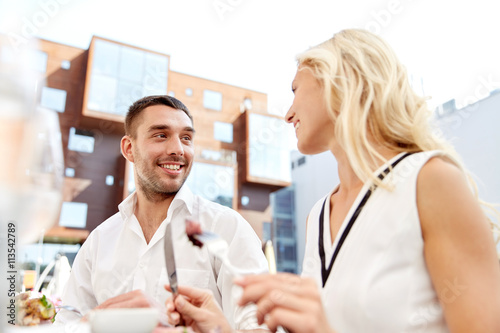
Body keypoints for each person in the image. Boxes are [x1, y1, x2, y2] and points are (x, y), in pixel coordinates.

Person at [165, 29, 500, 332]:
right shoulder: (320, 214)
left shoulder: (430, 181)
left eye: (295, 90)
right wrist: (221, 329)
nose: (288, 112)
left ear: (339, 81)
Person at [56, 95, 270, 330]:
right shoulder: (99, 241)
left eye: (186, 138)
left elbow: (261, 326)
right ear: (129, 148)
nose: (178, 149)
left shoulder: (227, 228)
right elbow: (68, 324)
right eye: (161, 135)